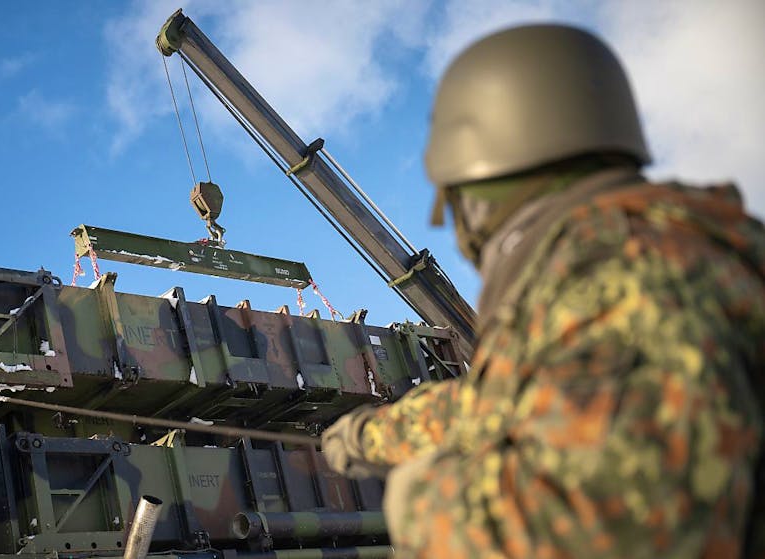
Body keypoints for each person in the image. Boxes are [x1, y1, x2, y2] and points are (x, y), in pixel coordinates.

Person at [322, 24, 764, 558]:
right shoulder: (676, 249)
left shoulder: (614, 275)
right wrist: (367, 436)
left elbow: (604, 527)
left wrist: (421, 498)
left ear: (478, 194)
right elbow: (502, 404)